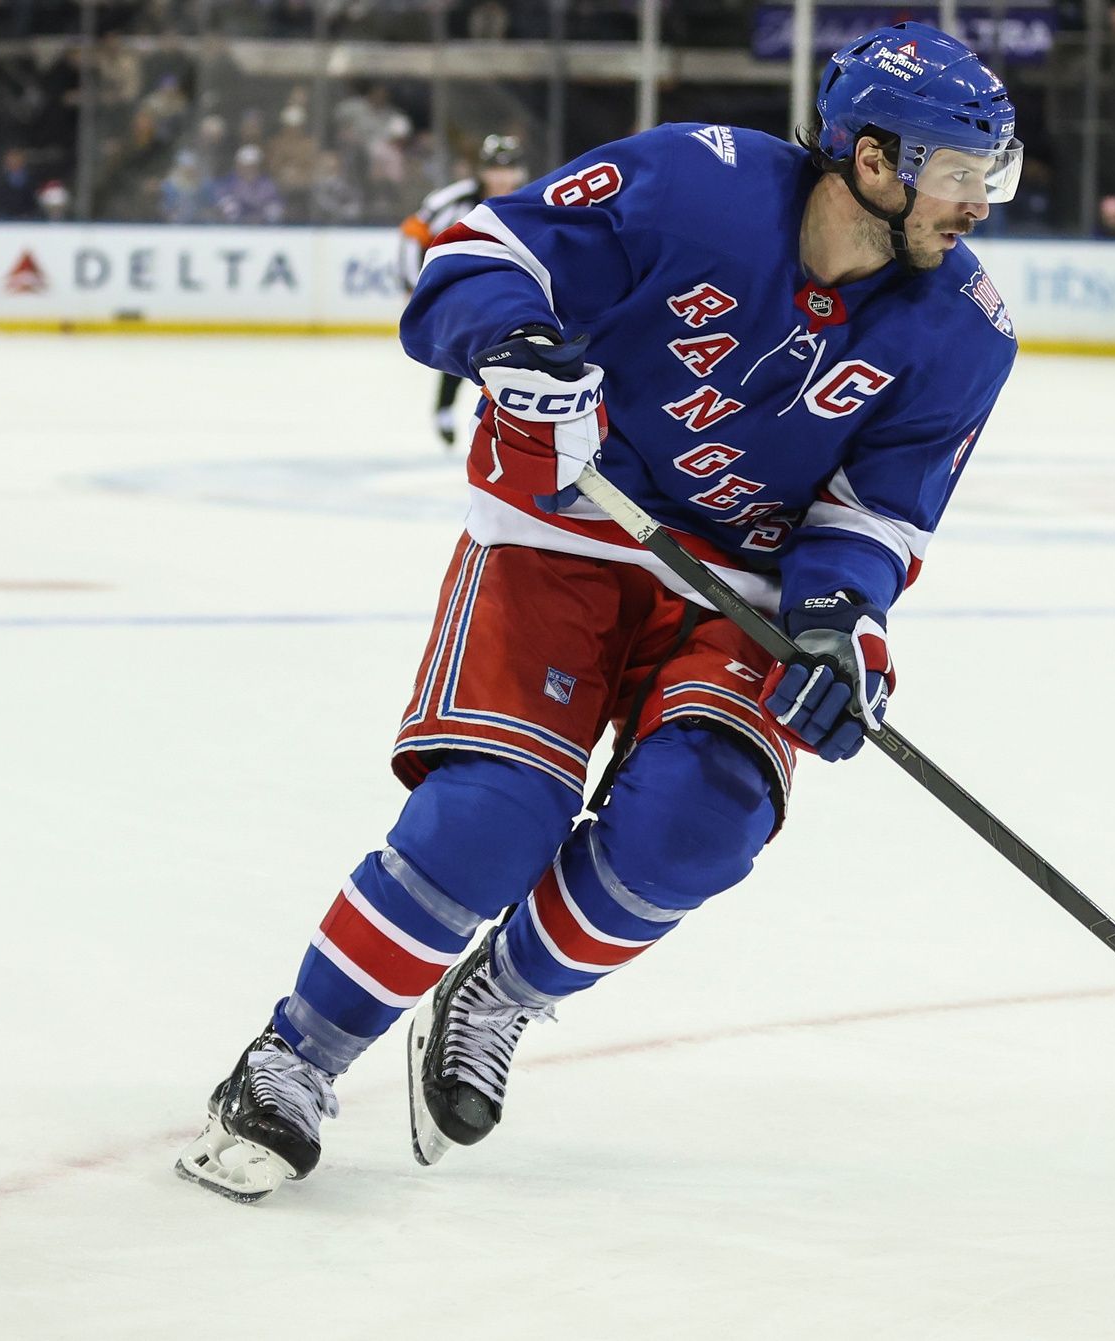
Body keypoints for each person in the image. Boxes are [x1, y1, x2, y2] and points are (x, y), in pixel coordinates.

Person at [175, 21, 1022, 1203]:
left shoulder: (961, 333)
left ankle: (501, 995)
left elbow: (877, 516)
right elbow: (478, 254)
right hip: (566, 530)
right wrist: (509, 341)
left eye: (990, 173)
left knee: (703, 819)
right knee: (493, 819)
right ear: (870, 160)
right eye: (953, 170)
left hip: (739, 589)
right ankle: (292, 1062)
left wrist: (838, 626)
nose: (975, 202)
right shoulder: (697, 181)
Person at [399, 133, 530, 446]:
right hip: (463, 292)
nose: (501, 177)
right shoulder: (452, 201)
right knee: (465, 349)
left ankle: (507, 421)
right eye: (494, 169)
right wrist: (414, 286)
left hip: (512, 294)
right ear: (482, 171)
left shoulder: (531, 200)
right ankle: (446, 409)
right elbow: (412, 234)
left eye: (508, 169)